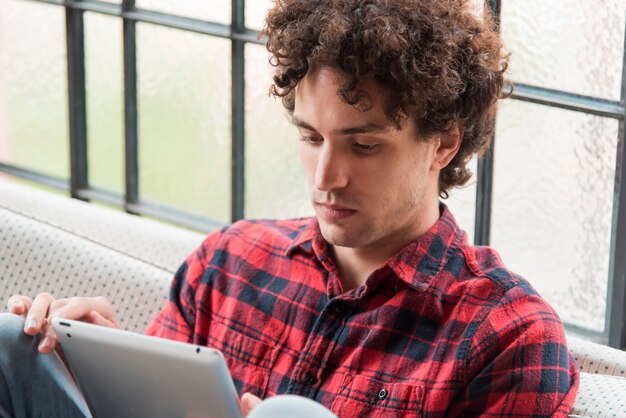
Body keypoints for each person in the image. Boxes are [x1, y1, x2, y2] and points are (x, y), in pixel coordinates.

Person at [1, 0, 579, 416]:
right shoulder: (229, 262)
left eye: (365, 144)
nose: (326, 178)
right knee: (15, 354)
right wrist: (93, 376)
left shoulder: (508, 338)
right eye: (310, 137)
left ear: (443, 143)